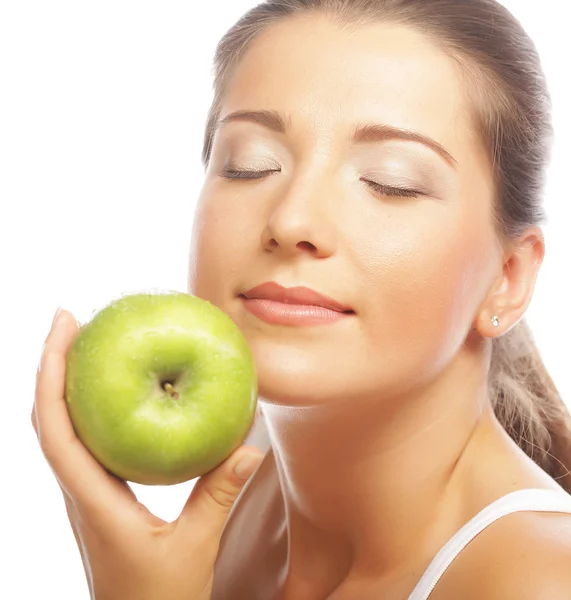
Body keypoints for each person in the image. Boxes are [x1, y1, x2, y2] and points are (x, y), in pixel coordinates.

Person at [32, 0, 571, 598]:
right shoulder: (239, 483)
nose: (291, 220)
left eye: (390, 180)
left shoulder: (540, 581)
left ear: (510, 277)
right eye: (249, 165)